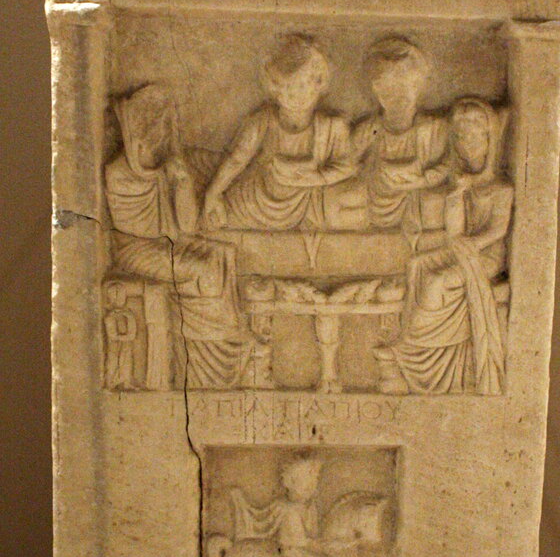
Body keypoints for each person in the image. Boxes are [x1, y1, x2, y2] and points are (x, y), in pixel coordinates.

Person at [105, 84, 251, 388]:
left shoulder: (172, 166)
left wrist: (182, 183)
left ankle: (227, 343)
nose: (155, 136)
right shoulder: (118, 173)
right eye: (148, 128)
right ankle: (203, 365)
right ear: (132, 131)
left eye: (161, 127)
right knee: (204, 269)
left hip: (167, 245)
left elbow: (186, 226)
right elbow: (142, 229)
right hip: (136, 250)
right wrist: (166, 180)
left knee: (222, 254)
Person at [379, 97, 512, 394]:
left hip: (486, 257)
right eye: (461, 138)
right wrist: (456, 195)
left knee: (437, 282)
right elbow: (454, 233)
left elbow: (498, 230)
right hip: (460, 249)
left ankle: (412, 346)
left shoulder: (501, 188)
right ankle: (412, 337)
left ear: (489, 140)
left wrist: (472, 245)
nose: (467, 145)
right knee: (416, 264)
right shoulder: (460, 184)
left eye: (474, 138)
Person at [203, 35, 354, 233]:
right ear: (275, 89)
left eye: (303, 85)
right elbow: (237, 159)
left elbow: (347, 167)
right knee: (215, 219)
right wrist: (213, 193)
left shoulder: (333, 126)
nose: (296, 95)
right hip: (256, 202)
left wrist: (316, 178)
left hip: (309, 202)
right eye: (288, 87)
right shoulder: (262, 121)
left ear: (318, 84)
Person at [325, 36, 448, 231]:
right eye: (387, 89)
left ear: (418, 85)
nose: (396, 95)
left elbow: (448, 166)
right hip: (373, 196)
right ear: (375, 91)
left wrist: (422, 181)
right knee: (335, 201)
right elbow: (346, 166)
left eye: (403, 86)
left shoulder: (433, 128)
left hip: (415, 195)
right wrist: (357, 152)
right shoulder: (369, 129)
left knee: (436, 204)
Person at [231, 454, 336, 557]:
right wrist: (320, 544)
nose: (313, 486)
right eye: (308, 482)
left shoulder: (308, 506)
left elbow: (312, 532)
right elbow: (299, 540)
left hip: (302, 548)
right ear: (292, 483)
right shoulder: (290, 508)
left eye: (314, 482)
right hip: (292, 551)